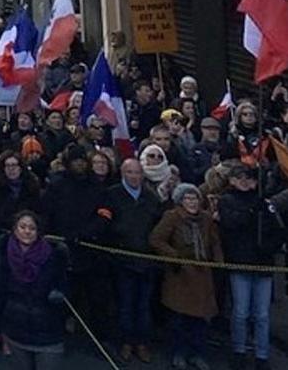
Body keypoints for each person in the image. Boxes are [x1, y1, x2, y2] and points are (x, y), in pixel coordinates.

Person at [0, 210, 70, 370]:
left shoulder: (55, 255)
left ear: (38, 232)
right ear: (14, 229)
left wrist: (59, 293)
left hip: (47, 331)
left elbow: (65, 286)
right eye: (22, 227)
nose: (27, 231)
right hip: (15, 329)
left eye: (32, 228)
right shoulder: (5, 255)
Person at [94, 158, 163, 364]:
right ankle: (125, 342)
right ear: (123, 173)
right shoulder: (112, 194)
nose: (135, 176)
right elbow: (106, 224)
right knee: (124, 304)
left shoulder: (151, 198)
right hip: (121, 260)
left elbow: (157, 226)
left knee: (143, 306)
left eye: (138, 173)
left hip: (146, 260)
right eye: (130, 172)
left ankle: (141, 342)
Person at [149, 183, 223, 370]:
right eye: (188, 198)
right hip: (180, 275)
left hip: (203, 275)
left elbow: (214, 242)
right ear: (180, 201)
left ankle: (197, 353)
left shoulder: (206, 219)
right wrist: (175, 257)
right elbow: (156, 239)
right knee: (179, 319)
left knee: (200, 320)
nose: (192, 202)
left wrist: (219, 262)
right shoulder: (172, 217)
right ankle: (178, 353)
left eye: (195, 198)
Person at [218, 164, 280, 370]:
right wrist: (252, 212)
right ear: (232, 180)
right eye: (240, 178)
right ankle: (239, 350)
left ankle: (262, 354)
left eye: (250, 178)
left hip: (263, 264)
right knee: (241, 311)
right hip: (240, 261)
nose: (245, 182)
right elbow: (231, 224)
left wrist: (268, 246)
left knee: (261, 314)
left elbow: (278, 230)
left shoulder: (264, 202)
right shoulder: (226, 200)